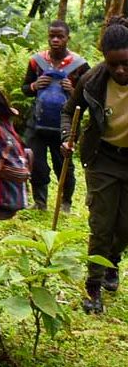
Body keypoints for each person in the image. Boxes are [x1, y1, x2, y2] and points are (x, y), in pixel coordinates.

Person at [62, 16, 128, 315]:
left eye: (125, 63)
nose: (120, 70)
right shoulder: (94, 80)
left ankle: (112, 261)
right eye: (113, 64)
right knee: (101, 224)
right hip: (103, 158)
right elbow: (68, 111)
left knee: (125, 225)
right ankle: (93, 286)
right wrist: (68, 136)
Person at [22, 21, 89, 212]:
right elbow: (25, 88)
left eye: (60, 36)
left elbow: (92, 95)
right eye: (52, 36)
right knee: (37, 163)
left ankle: (66, 203)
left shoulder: (80, 65)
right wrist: (34, 86)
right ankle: (40, 202)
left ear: (68, 38)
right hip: (38, 123)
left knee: (64, 166)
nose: (55, 40)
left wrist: (74, 90)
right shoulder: (37, 61)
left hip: (65, 125)